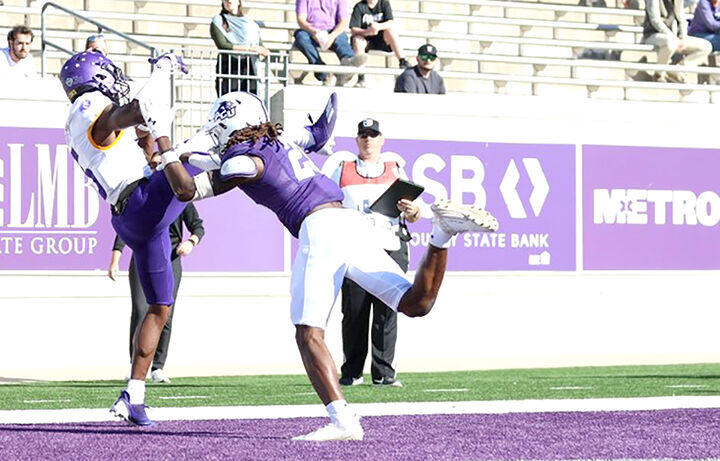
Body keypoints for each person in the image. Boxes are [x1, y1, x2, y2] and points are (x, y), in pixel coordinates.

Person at [178, 91, 499, 441]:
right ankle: (442, 235)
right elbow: (317, 133)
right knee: (414, 304)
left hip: (318, 227)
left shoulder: (244, 156)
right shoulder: (278, 140)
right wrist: (186, 156)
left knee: (308, 332)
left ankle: (342, 421)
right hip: (348, 221)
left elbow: (214, 177)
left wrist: (181, 152)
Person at [59, 50, 202, 426]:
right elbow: (134, 111)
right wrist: (163, 68)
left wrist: (146, 139)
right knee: (201, 158)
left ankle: (132, 396)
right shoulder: (87, 106)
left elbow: (135, 128)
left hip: (131, 217)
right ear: (96, 78)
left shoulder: (84, 117)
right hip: (138, 202)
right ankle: (302, 140)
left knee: (160, 307)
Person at [323, 118, 420, 388]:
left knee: (388, 310)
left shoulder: (396, 169)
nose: (368, 139)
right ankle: (352, 371)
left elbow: (413, 213)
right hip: (354, 245)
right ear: (356, 140)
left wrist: (412, 211)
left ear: (382, 140)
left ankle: (384, 373)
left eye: (373, 135)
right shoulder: (342, 170)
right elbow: (329, 203)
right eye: (363, 135)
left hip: (389, 245)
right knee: (354, 311)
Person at [108, 203, 205, 384]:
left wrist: (191, 242)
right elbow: (125, 228)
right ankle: (134, 364)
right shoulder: (146, 195)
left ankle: (158, 367)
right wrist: (115, 260)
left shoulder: (181, 198)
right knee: (140, 309)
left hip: (171, 259)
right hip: (143, 256)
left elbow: (198, 226)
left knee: (165, 313)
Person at [294, 0, 367, 86]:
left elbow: (343, 22)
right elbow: (301, 19)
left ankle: (349, 62)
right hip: (311, 30)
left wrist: (332, 36)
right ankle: (324, 74)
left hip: (332, 30)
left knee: (341, 38)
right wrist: (313, 31)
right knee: (301, 37)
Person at [642, 0, 712, 83]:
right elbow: (655, 20)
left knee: (706, 46)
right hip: (653, 34)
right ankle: (659, 74)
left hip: (675, 36)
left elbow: (681, 18)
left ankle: (678, 70)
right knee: (670, 43)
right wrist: (673, 37)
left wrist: (683, 37)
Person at [210, 0, 270, 96]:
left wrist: (263, 51)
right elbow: (222, 45)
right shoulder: (218, 20)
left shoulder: (249, 23)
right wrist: (249, 49)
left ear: (238, 2)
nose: (229, 1)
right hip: (229, 66)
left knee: (249, 101)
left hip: (248, 66)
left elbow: (258, 44)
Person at [350, 0, 409, 88]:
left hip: (381, 38)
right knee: (357, 40)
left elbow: (391, 22)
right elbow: (354, 29)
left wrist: (378, 27)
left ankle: (403, 61)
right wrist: (368, 32)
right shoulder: (359, 6)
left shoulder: (384, 3)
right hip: (365, 38)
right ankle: (361, 76)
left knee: (390, 30)